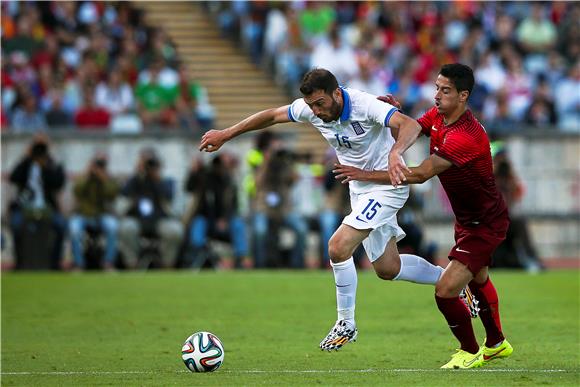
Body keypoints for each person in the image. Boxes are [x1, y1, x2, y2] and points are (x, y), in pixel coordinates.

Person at [200, 68, 477, 352]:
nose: (316, 111)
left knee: (337, 247)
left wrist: (395, 153)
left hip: (387, 186)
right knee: (387, 268)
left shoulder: (363, 104)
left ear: (336, 93)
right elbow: (271, 115)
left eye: (320, 103)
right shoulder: (311, 109)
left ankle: (346, 323)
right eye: (310, 106)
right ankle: (452, 281)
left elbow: (409, 125)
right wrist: (226, 133)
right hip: (360, 190)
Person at [333, 63, 513, 369]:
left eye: (445, 90)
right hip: (468, 219)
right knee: (479, 278)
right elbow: (413, 129)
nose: (437, 96)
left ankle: (469, 351)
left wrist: (362, 174)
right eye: (436, 88)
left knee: (445, 292)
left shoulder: (464, 136)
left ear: (463, 96)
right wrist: (394, 118)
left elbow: (418, 175)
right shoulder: (439, 117)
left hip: (486, 223)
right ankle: (496, 343)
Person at [69, 153, 119, 270]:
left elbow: (112, 195)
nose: (98, 167)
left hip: (101, 215)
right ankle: (78, 263)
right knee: (74, 229)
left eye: (101, 164)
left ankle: (108, 262)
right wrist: (87, 175)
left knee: (113, 226)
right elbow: (77, 191)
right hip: (82, 215)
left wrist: (103, 179)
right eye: (97, 163)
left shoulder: (108, 179)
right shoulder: (84, 177)